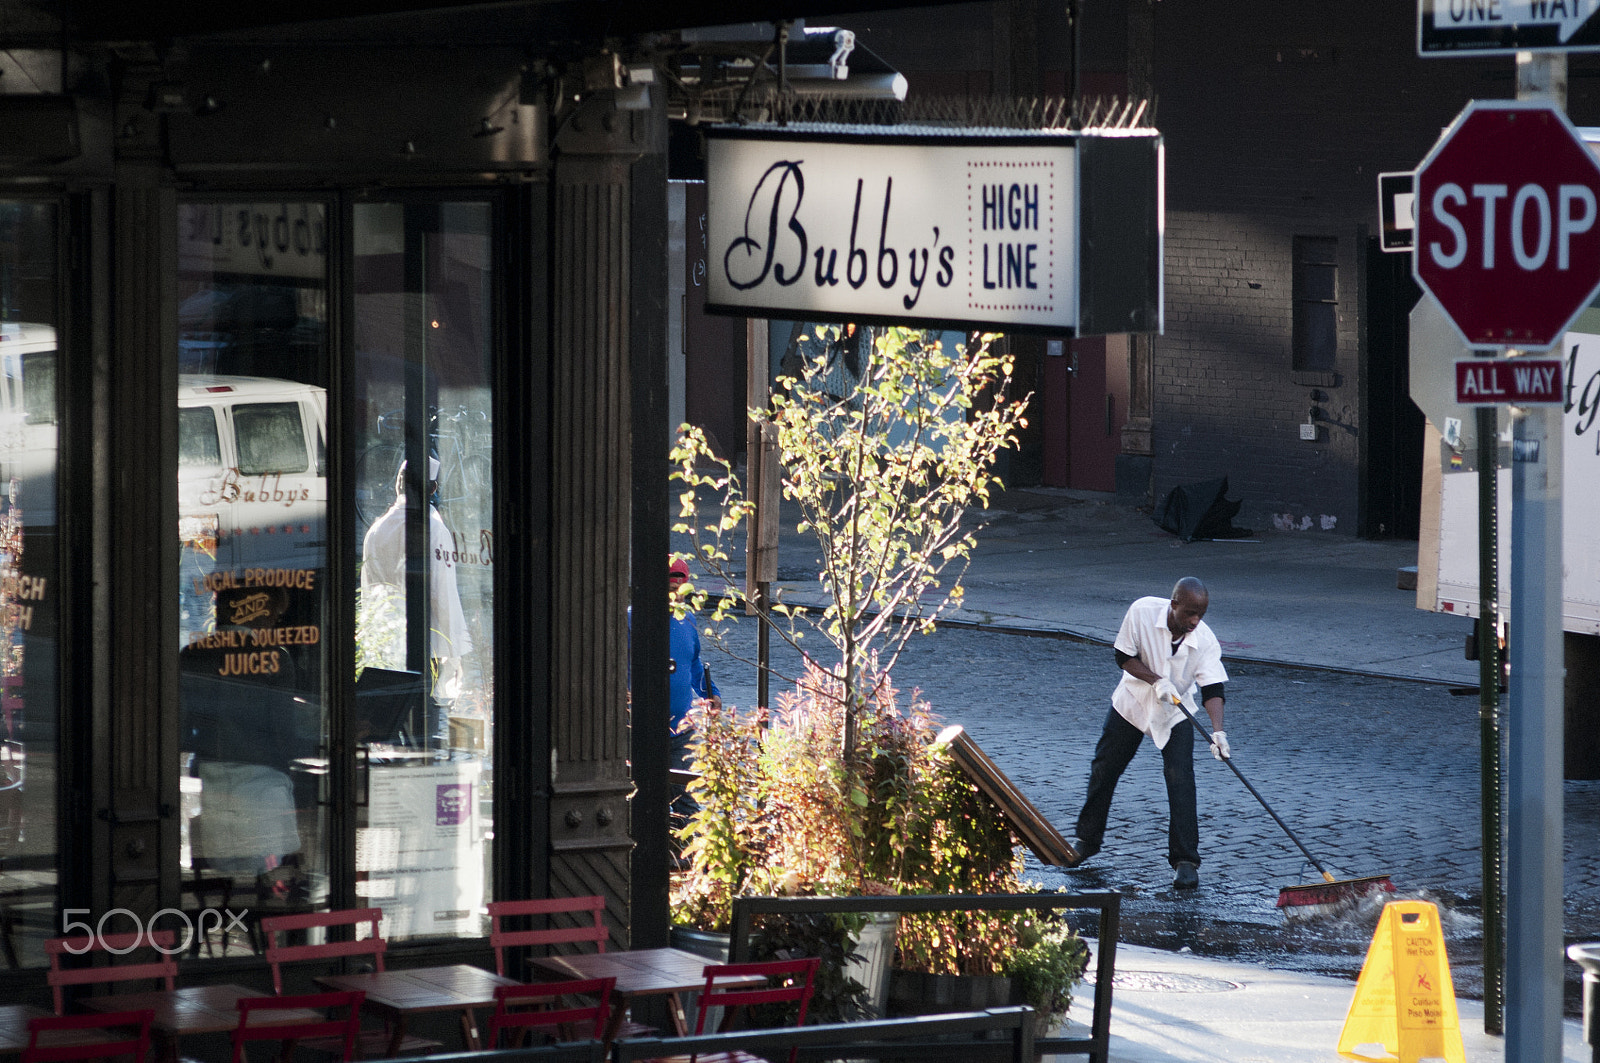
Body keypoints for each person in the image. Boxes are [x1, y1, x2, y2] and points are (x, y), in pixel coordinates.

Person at [1071, 576, 1229, 890]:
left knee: (1181, 778)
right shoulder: (1142, 611)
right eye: (1189, 614)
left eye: (1201, 615)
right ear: (1174, 605)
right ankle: (1087, 842)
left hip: (1175, 710)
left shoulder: (1206, 640)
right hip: (1133, 701)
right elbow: (1122, 656)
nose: (1195, 621)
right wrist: (1156, 680)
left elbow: (1213, 688)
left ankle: (1185, 861)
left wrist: (1218, 732)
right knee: (1105, 768)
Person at [359, 456, 473, 745]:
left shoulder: (376, 530)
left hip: (387, 650)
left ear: (398, 485)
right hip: (427, 650)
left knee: (392, 734)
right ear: (433, 488)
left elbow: (370, 593)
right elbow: (443, 596)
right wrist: (455, 654)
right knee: (426, 732)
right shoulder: (434, 530)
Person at [668, 557, 720, 822]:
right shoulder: (634, 619)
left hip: (680, 729)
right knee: (641, 793)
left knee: (684, 797)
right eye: (671, 584)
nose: (676, 590)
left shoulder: (687, 620)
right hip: (640, 729)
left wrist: (711, 693)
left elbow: (694, 662)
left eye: (681, 584)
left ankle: (685, 856)